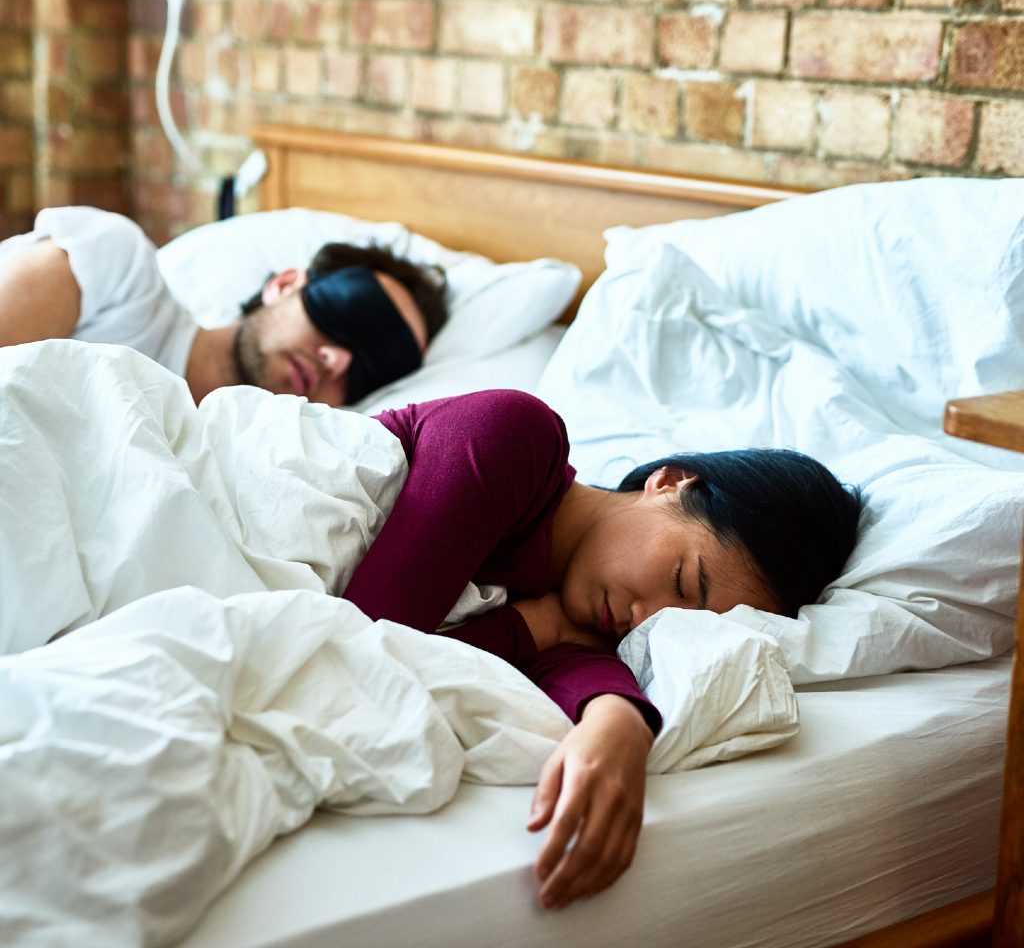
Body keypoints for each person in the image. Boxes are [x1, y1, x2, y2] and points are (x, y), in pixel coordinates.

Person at [343, 388, 863, 911]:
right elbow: (358, 655)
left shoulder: (591, 617)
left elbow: (582, 669)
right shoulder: (514, 435)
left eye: (677, 621)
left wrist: (622, 721)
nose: (645, 618)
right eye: (683, 580)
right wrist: (531, 624)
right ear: (670, 484)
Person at [0, 206, 448, 406]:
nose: (340, 359)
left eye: (375, 367)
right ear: (285, 283)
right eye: (349, 314)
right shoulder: (117, 272)